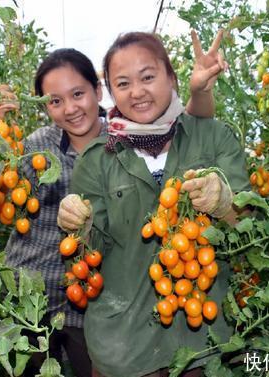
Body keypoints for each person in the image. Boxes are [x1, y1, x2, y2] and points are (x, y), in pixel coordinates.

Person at [4, 30, 227, 377]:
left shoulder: (127, 134)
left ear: (98, 90)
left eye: (78, 94)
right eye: (55, 101)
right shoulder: (37, 147)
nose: (70, 108)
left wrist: (201, 91)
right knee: (30, 368)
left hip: (88, 291)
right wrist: (1, 136)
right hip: (32, 288)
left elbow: (190, 122)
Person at [56, 32, 249, 377]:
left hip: (205, 347)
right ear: (112, 93)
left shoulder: (212, 137)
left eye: (148, 77)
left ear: (172, 78)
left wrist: (225, 204)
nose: (137, 91)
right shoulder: (96, 159)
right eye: (124, 83)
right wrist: (78, 224)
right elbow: (88, 253)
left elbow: (250, 226)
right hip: (124, 350)